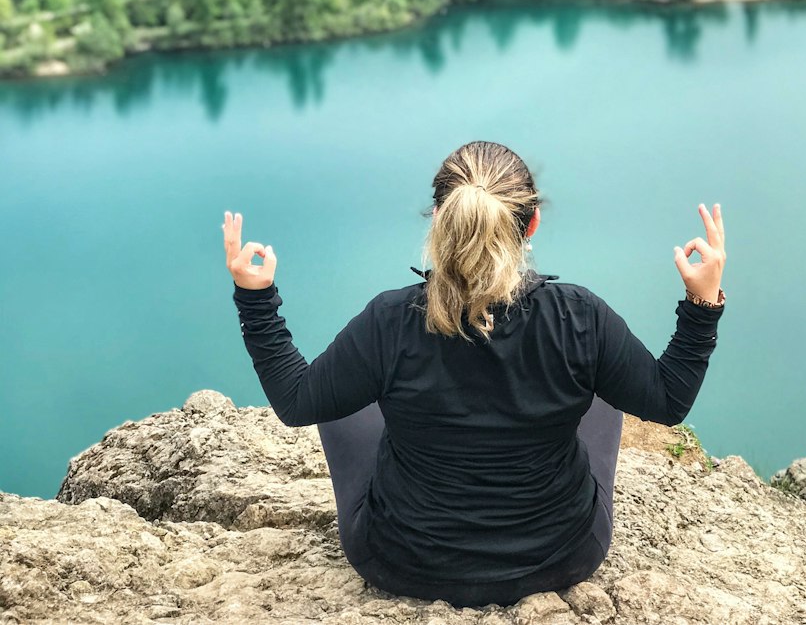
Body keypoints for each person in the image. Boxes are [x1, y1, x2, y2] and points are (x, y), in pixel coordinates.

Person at [223, 139, 726, 609]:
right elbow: (666, 401)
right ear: (530, 227)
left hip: (403, 563)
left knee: (344, 404)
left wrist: (256, 297)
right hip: (561, 557)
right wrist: (702, 302)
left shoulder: (390, 320)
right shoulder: (580, 318)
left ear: (440, 219)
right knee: (602, 392)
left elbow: (295, 401)